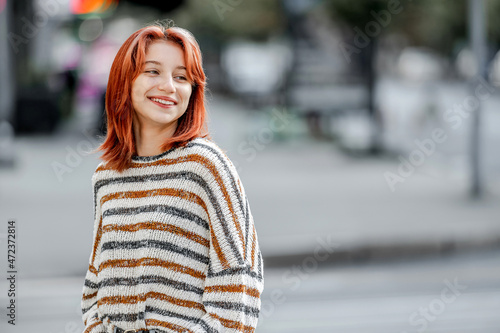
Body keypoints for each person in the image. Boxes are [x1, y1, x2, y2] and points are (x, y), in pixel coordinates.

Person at [81, 22, 264, 333]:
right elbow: (96, 281)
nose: (169, 86)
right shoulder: (107, 176)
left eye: (181, 77)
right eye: (153, 71)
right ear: (124, 81)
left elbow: (240, 278)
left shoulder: (205, 166)